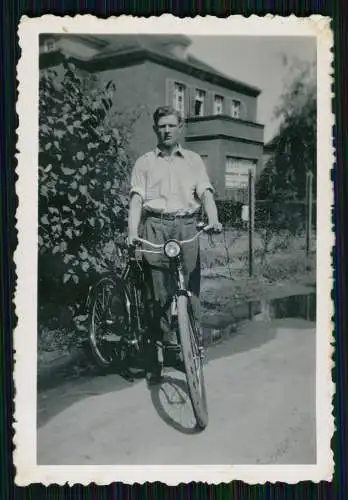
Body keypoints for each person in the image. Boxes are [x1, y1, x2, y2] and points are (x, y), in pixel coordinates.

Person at [128, 105, 222, 380]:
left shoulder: (193, 160)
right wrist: (133, 231)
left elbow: (205, 193)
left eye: (172, 125)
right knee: (158, 295)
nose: (167, 130)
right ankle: (161, 351)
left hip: (186, 226)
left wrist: (213, 218)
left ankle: (190, 347)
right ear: (155, 129)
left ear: (180, 128)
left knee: (189, 292)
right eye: (162, 126)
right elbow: (136, 200)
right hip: (155, 226)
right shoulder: (144, 162)